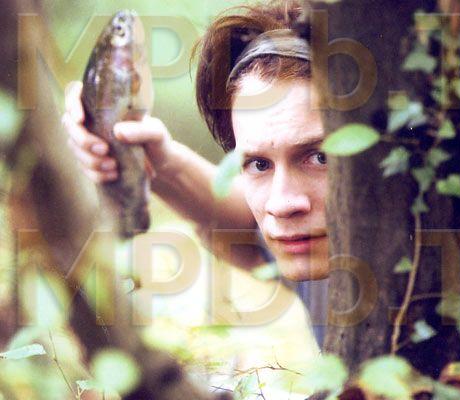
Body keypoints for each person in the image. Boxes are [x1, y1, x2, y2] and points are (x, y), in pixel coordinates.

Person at [62, 0, 330, 344]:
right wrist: (152, 160)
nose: (280, 205)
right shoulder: (314, 244)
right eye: (259, 164)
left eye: (320, 157)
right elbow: (243, 231)